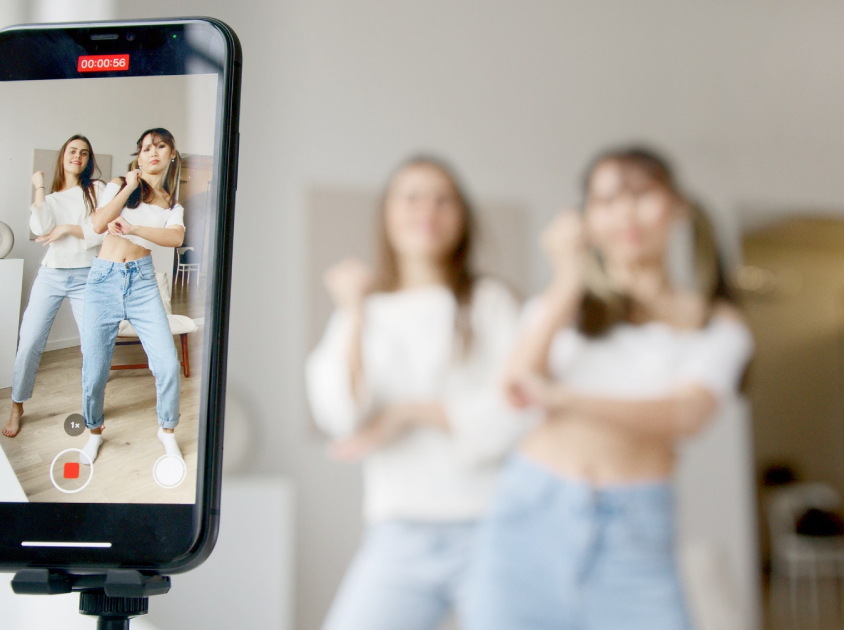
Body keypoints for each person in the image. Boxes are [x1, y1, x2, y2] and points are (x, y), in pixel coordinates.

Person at [464, 146, 754, 630]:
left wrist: (563, 398)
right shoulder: (563, 308)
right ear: (585, 220)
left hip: (635, 527)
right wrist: (567, 280)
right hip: (529, 513)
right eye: (605, 201)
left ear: (677, 207)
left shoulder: (715, 324)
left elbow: (686, 416)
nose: (624, 212)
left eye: (641, 194)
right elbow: (513, 390)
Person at [306, 157, 528, 630]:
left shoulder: (491, 302)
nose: (427, 209)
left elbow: (513, 414)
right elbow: (342, 414)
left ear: (462, 217)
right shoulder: (363, 311)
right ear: (387, 213)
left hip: (490, 527)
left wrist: (406, 414)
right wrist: (354, 311)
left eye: (442, 199)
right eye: (412, 197)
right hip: (398, 532)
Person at [79, 128, 186, 464]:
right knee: (94, 371)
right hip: (102, 281)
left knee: (168, 365)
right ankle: (94, 432)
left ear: (171, 154)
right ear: (138, 156)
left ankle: (167, 432)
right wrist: (127, 186)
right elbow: (98, 224)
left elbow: (175, 238)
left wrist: (136, 229)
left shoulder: (172, 203)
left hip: (142, 283)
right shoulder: (119, 185)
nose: (152, 152)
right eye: (145, 148)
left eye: (160, 146)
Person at [4, 134, 105, 438]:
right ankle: (17, 405)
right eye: (73, 151)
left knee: (93, 346)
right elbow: (39, 228)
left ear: (89, 160)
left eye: (84, 153)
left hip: (87, 276)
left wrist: (67, 229)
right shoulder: (48, 199)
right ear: (63, 156)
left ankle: (93, 410)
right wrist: (38, 186)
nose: (78, 156)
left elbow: (100, 232)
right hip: (51, 275)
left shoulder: (97, 190)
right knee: (30, 342)